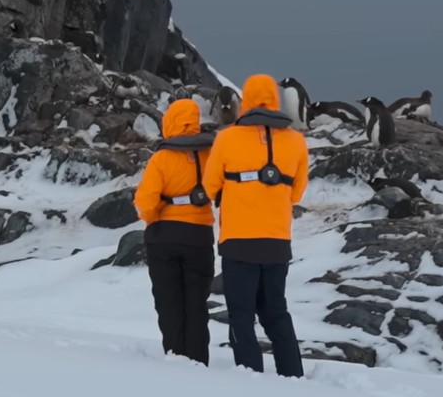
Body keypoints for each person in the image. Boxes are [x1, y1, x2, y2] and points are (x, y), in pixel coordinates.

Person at [202, 74, 310, 378]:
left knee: (241, 316)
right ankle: (293, 376)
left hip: (238, 242)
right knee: (276, 312)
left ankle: (251, 378)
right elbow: (297, 192)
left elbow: (210, 187)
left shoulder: (226, 138)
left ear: (245, 100)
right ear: (275, 99)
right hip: (277, 242)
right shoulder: (296, 141)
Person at [133, 98, 217, 365]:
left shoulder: (162, 158)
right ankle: (198, 361)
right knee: (196, 303)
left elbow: (146, 203)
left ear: (169, 121)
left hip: (164, 237)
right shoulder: (210, 154)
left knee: (169, 303)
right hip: (200, 237)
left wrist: (151, 215)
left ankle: (176, 359)